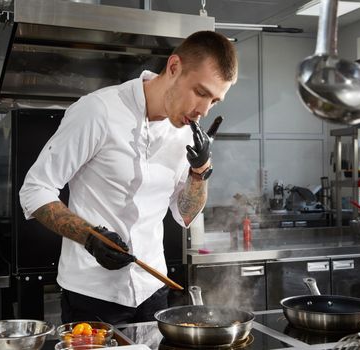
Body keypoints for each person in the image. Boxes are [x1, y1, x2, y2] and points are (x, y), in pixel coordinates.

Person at [19, 30, 238, 324]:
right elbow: (35, 191)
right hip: (92, 295)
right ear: (174, 67)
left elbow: (183, 215)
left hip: (153, 291)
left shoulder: (185, 134)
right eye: (200, 93)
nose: (203, 111)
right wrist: (90, 237)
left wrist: (199, 172)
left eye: (215, 101)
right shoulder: (98, 111)